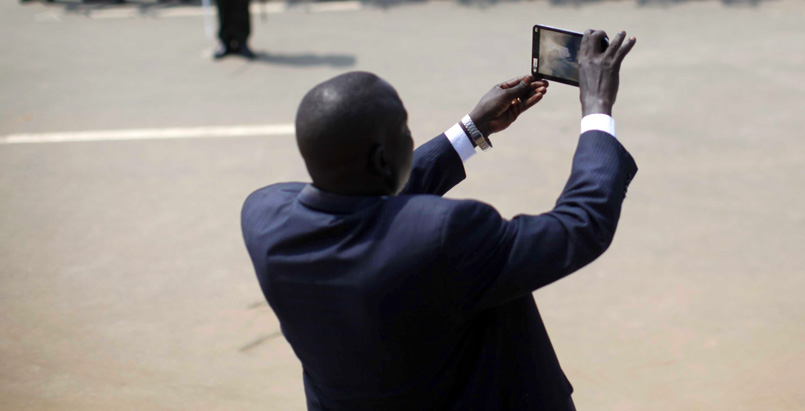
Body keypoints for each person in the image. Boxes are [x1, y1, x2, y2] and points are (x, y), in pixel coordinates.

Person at [242, 29, 637, 410]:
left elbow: (357, 199)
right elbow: (578, 226)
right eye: (405, 131)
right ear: (382, 158)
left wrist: (471, 129)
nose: (411, 140)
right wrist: (597, 108)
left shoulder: (264, 217)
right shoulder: (444, 237)